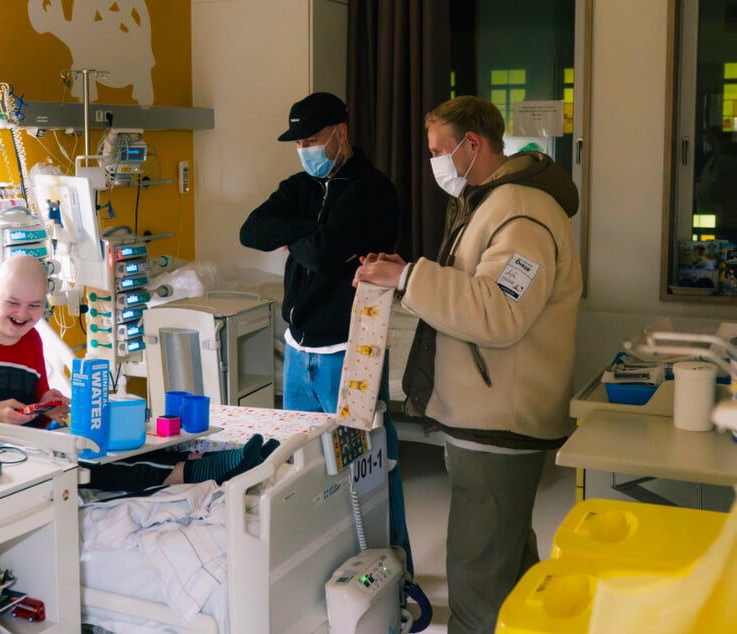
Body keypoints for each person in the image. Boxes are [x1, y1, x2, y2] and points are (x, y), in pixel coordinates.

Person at [354, 95, 582, 634]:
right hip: (486, 411)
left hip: (499, 418)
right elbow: (470, 287)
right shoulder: (489, 203)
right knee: (508, 564)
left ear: (472, 144)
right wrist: (405, 274)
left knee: (478, 581)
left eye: (438, 150)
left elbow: (500, 311)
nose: (433, 162)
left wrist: (409, 277)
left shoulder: (522, 213)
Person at [0, 254, 276, 492]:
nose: (22, 315)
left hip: (33, 444)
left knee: (113, 445)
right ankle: (197, 472)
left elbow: (37, 408)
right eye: (12, 302)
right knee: (90, 466)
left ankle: (209, 460)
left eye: (35, 305)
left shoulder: (31, 340)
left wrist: (48, 404)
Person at [239, 91, 413, 572]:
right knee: (306, 472)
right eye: (298, 143)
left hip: (349, 349)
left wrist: (295, 237)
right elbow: (251, 231)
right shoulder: (300, 186)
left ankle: (396, 570)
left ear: (340, 133)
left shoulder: (372, 191)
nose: (304, 150)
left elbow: (320, 254)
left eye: (312, 140)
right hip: (298, 350)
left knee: (369, 467)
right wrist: (308, 234)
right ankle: (325, 569)